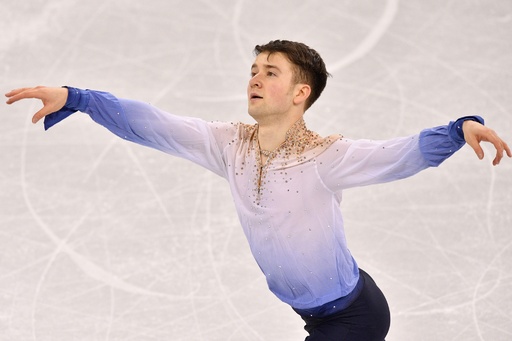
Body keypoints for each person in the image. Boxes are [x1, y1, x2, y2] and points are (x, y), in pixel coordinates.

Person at [5, 40, 511, 341]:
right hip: (315, 314)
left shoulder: (325, 156)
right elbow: (153, 123)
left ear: (299, 93)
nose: (255, 78)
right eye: (253, 70)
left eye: (271, 72)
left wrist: (458, 128)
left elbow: (397, 154)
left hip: (353, 319)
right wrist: (79, 98)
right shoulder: (230, 145)